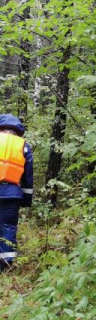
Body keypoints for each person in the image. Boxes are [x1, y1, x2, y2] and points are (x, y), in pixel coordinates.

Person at [0, 114, 34, 272]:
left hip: (9, 193)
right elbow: (28, 176)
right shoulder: (24, 146)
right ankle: (5, 265)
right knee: (7, 227)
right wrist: (27, 199)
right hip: (11, 194)